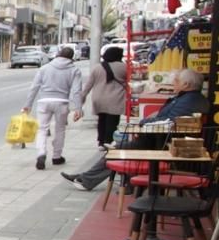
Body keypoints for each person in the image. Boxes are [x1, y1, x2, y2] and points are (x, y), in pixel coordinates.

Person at [63, 67, 210, 191]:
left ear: (186, 84)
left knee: (118, 150)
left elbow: (169, 121)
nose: (173, 83)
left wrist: (147, 121)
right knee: (118, 148)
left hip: (163, 144)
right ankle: (86, 179)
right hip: (158, 140)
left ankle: (87, 180)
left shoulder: (189, 101)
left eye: (177, 81)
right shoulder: (187, 98)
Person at [21, 45, 83, 171]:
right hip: (62, 102)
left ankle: (41, 153)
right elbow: (76, 91)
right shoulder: (75, 70)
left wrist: (28, 105)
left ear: (58, 55)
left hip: (44, 101)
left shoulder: (44, 68)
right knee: (60, 130)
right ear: (71, 58)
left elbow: (34, 87)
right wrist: (78, 108)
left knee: (42, 129)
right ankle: (57, 156)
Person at [81, 45, 129, 148]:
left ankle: (101, 141)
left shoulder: (97, 67)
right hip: (115, 98)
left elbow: (88, 84)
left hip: (99, 98)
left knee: (102, 120)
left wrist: (83, 97)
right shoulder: (123, 67)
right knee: (113, 121)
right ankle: (109, 141)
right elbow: (130, 81)